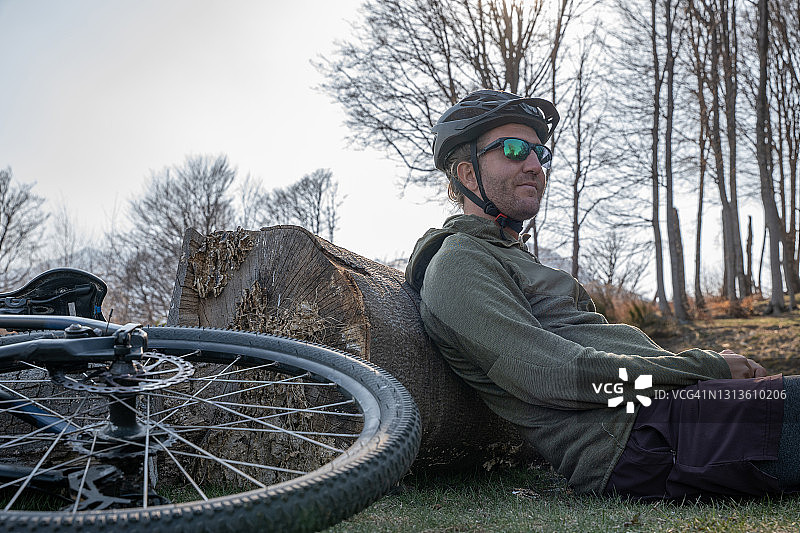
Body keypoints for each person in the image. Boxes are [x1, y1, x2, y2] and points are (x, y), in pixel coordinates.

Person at [405, 89, 798, 499]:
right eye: (515, 149)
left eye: (541, 153)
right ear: (468, 175)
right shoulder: (457, 263)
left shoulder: (512, 258)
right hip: (639, 441)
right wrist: (706, 367)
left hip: (667, 415)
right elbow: (551, 373)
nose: (535, 165)